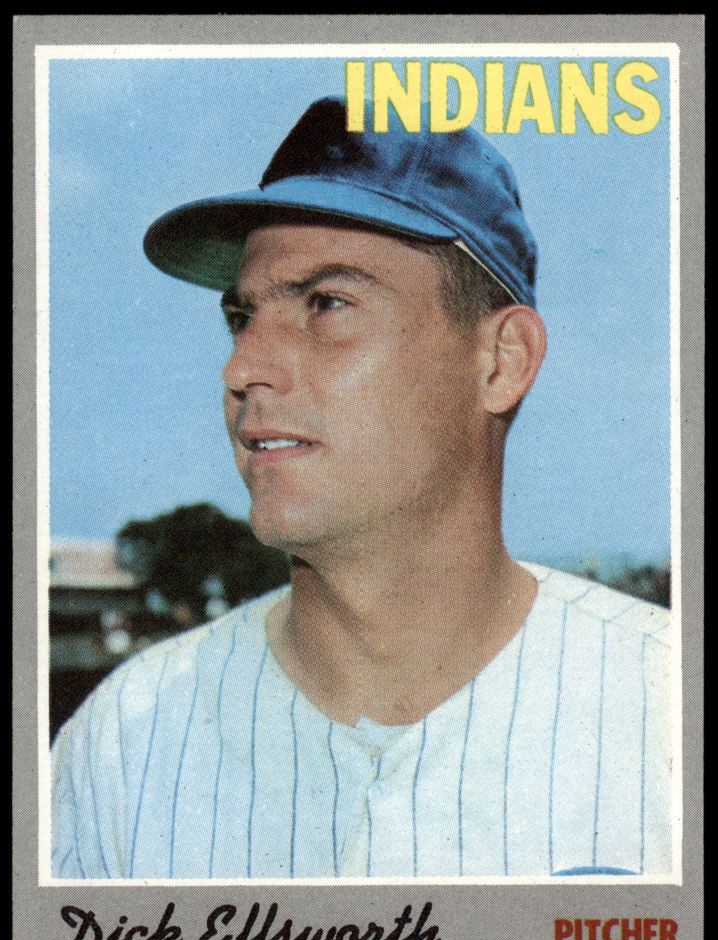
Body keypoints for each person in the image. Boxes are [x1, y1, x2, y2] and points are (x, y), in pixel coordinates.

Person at [51, 96, 672, 879]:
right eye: (241, 317)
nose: (242, 367)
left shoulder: (669, 712)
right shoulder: (122, 744)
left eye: (327, 304)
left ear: (502, 360)